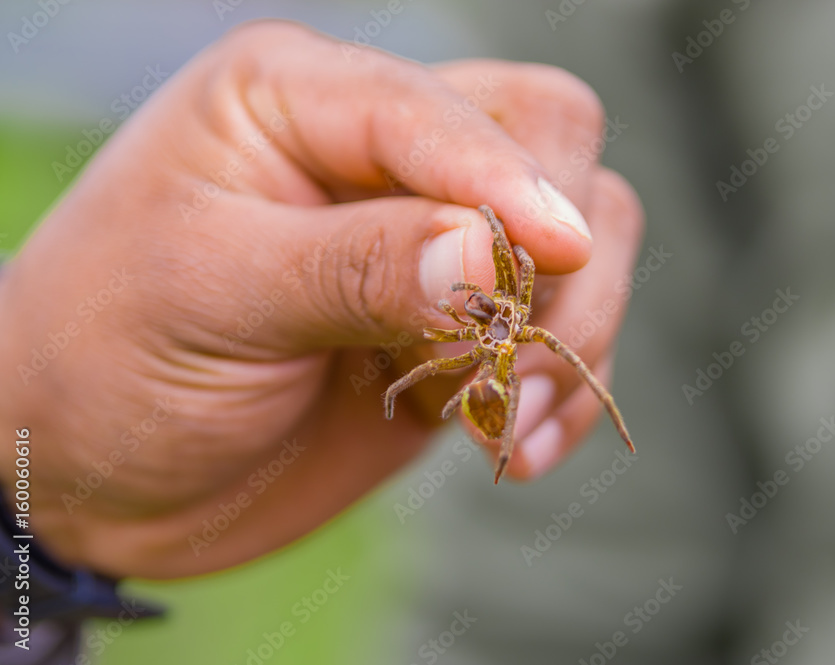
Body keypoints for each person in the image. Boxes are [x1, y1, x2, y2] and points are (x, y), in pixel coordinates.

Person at [0, 19, 643, 663]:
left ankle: (507, 438)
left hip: (485, 381)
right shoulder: (481, 331)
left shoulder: (498, 338)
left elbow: (518, 288)